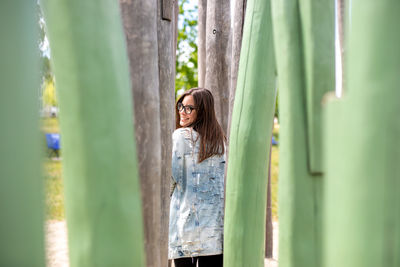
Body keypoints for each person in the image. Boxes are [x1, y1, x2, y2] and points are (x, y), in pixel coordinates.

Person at [169, 88, 226, 267]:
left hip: (185, 225)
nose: (182, 112)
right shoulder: (220, 141)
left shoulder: (180, 136)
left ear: (201, 110)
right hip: (215, 230)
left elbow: (171, 179)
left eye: (188, 108)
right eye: (181, 106)